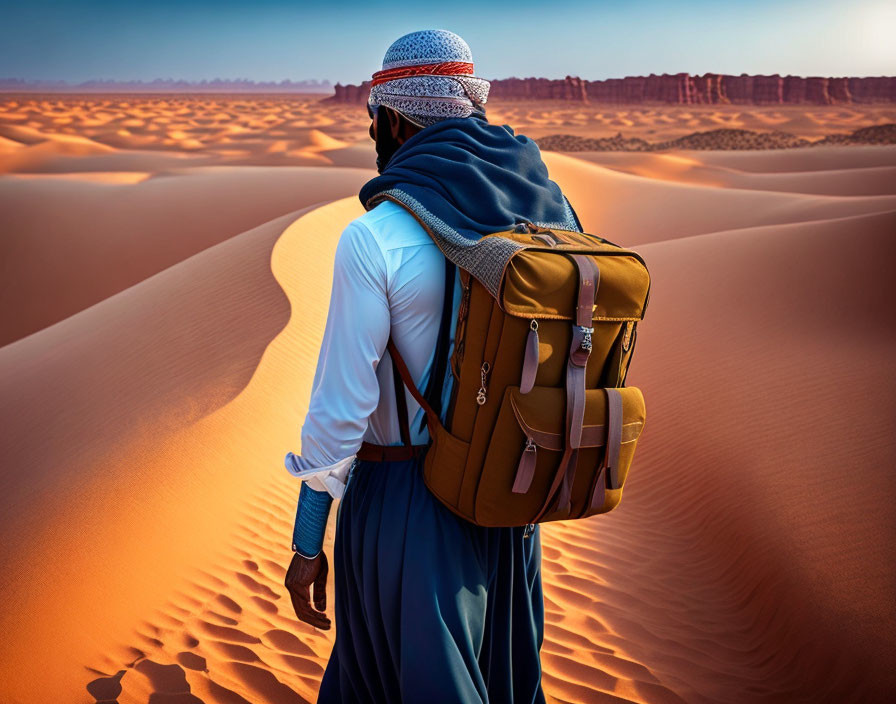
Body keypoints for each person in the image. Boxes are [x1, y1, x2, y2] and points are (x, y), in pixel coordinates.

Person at [282, 28, 583, 704]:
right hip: (510, 504)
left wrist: (308, 542)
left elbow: (338, 412)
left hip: (408, 505)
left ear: (392, 117)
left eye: (373, 118)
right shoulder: (549, 213)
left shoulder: (375, 236)